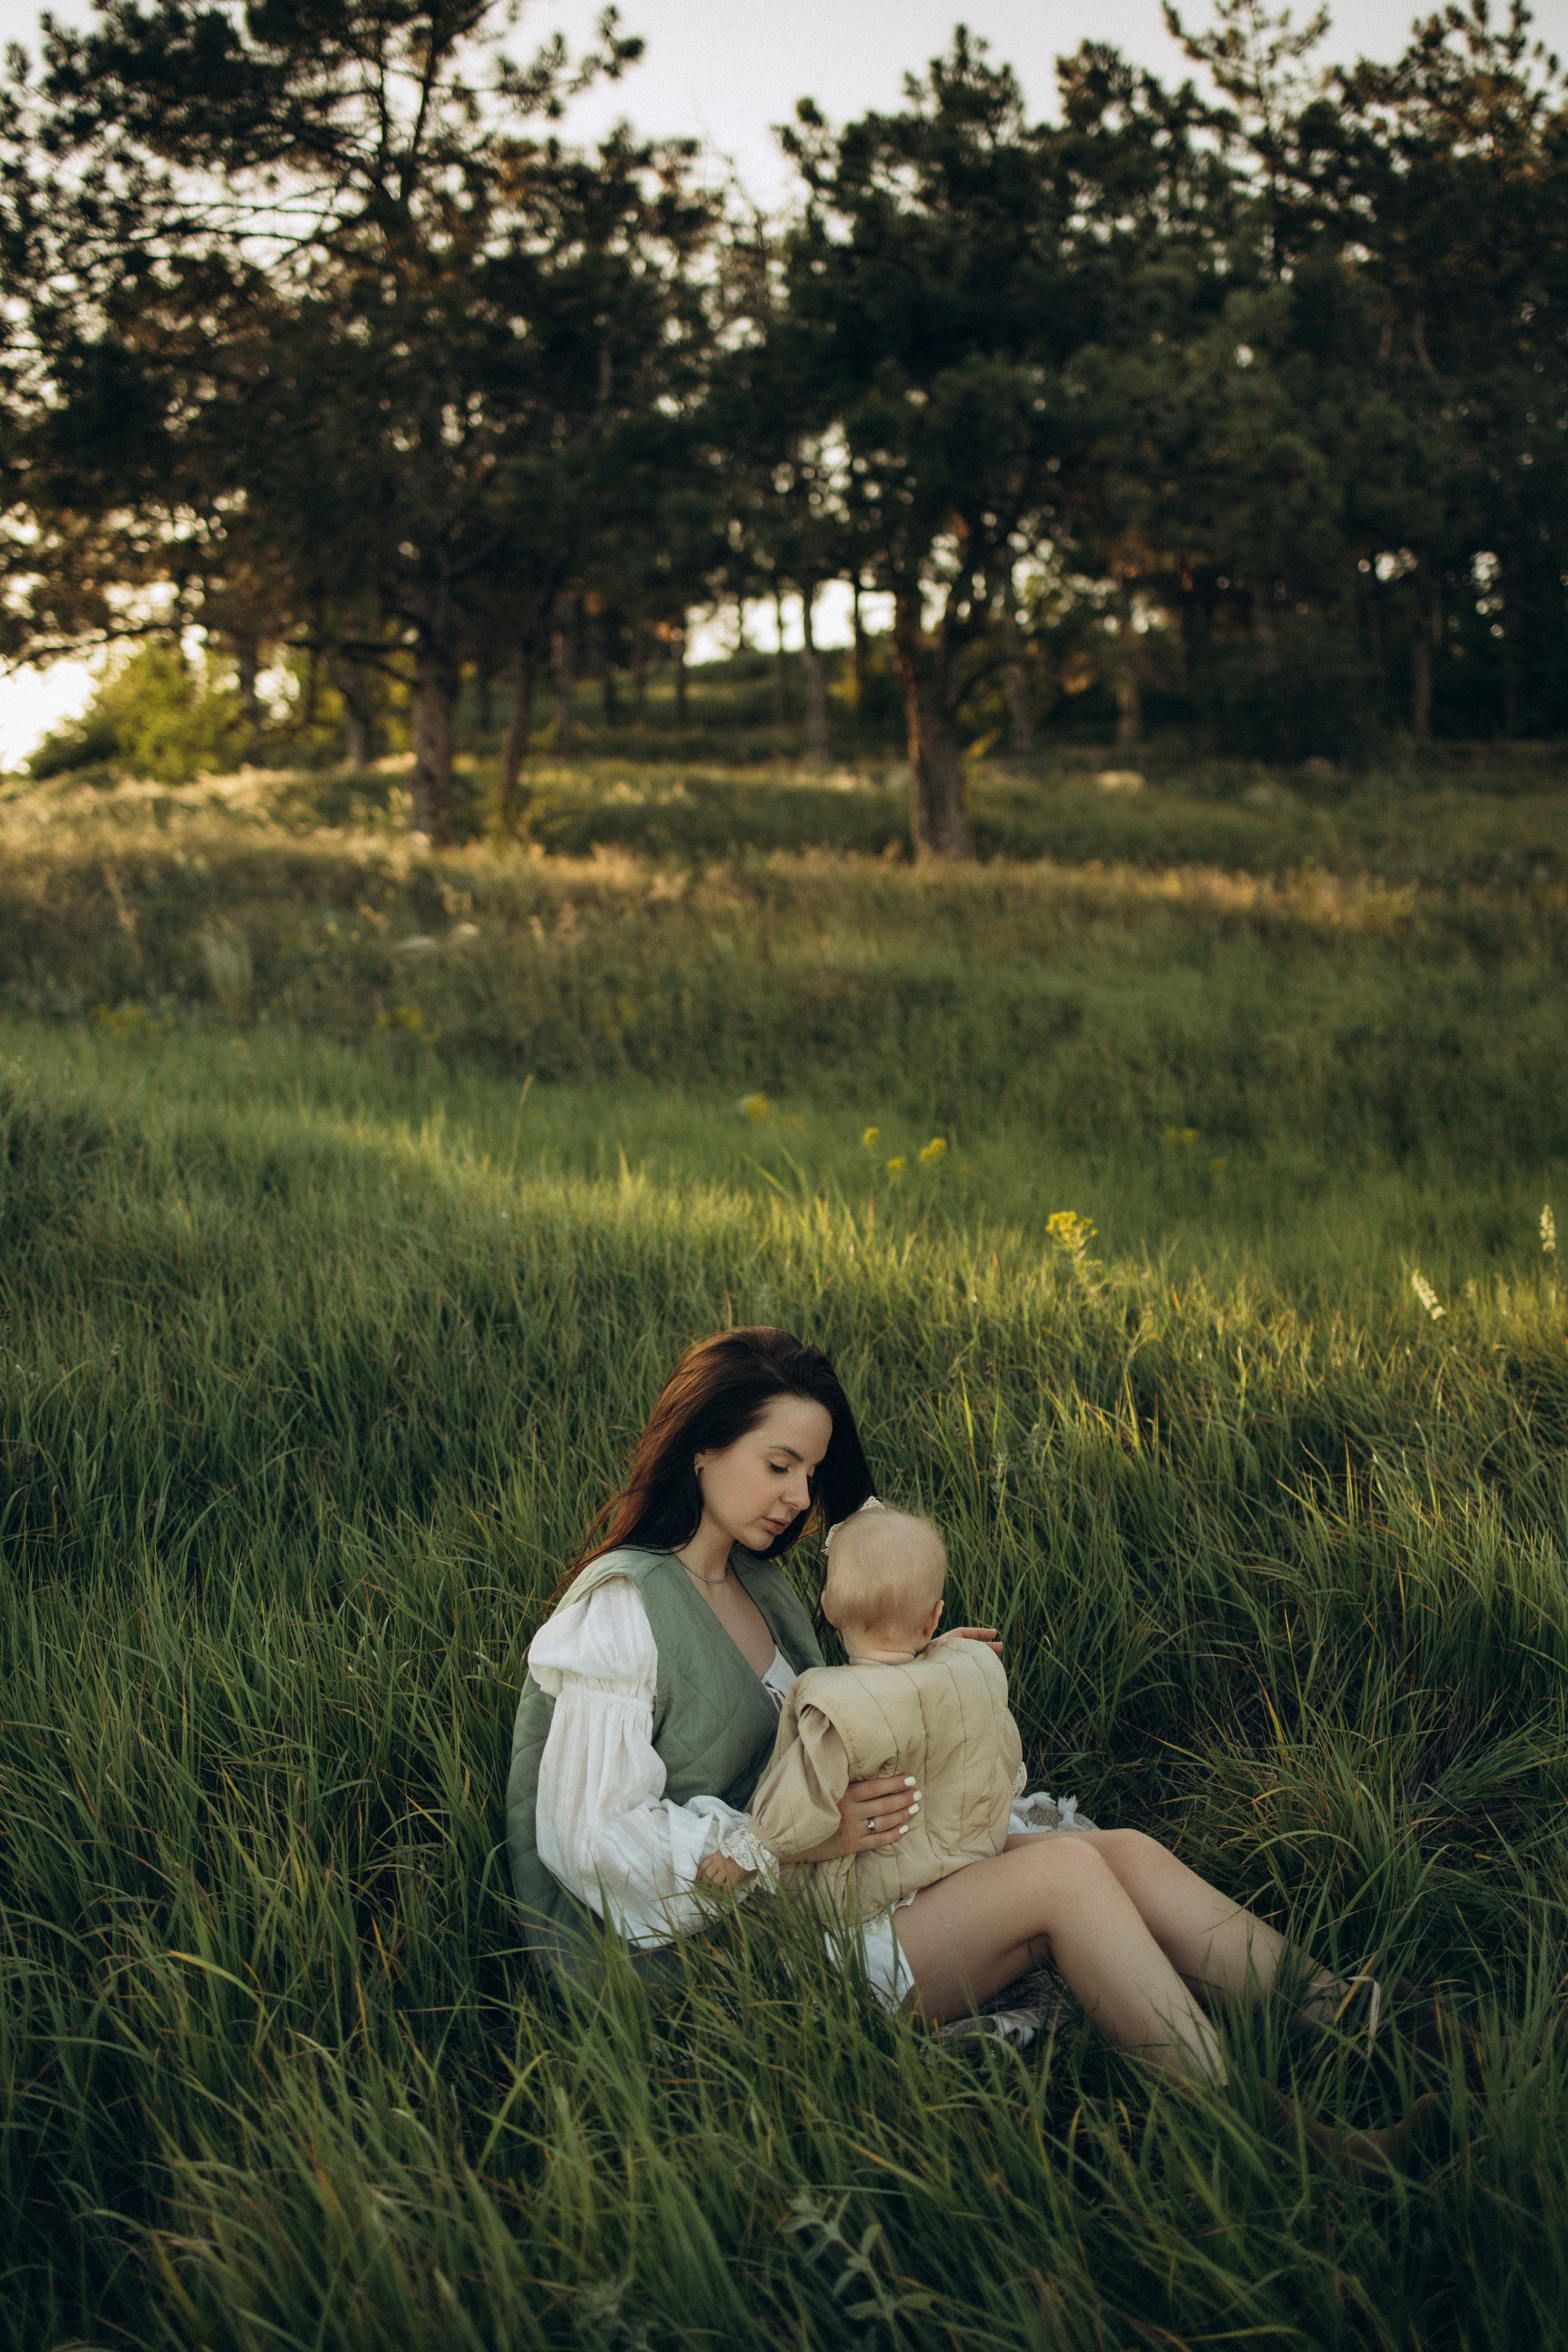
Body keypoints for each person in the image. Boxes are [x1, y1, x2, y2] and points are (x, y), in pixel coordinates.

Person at [506, 1325, 1423, 2149]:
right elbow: (590, 1839)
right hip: (716, 1960)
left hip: (816, 1888)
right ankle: (1268, 2138)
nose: (797, 1497)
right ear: (703, 1445)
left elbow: (841, 1708)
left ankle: (1351, 2020)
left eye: (812, 1476)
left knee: (1122, 1853)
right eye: (778, 1464)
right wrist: (803, 1840)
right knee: (1062, 1874)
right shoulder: (622, 1611)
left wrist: (923, 1657)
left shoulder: (757, 1585)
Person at [748, 1501, 1027, 1926]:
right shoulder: (973, 1667)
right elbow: (1002, 1755)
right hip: (968, 1859)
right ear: (934, 1618)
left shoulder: (835, 1703)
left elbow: (799, 1799)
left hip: (869, 1896)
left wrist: (750, 1847)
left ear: (829, 1608)